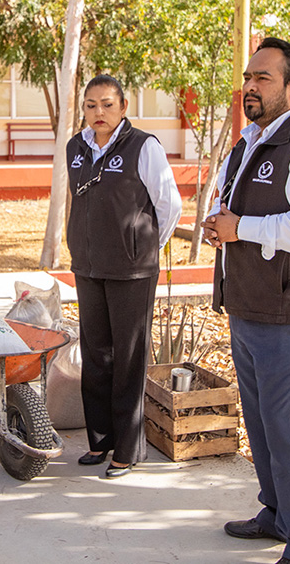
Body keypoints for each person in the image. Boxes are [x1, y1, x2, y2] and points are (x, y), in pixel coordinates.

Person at [201, 38, 290, 564]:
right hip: (247, 301)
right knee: (260, 422)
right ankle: (278, 513)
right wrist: (222, 227)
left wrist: (241, 227)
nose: (250, 87)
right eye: (248, 77)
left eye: (262, 78)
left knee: (285, 427)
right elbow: (234, 207)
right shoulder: (247, 143)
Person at [66, 74, 182, 478]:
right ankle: (100, 442)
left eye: (107, 104)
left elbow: (170, 205)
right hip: (88, 266)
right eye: (91, 105)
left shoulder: (143, 146)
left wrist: (144, 246)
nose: (99, 112)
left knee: (128, 359)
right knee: (96, 355)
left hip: (132, 271)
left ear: (123, 107)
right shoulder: (75, 148)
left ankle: (128, 450)